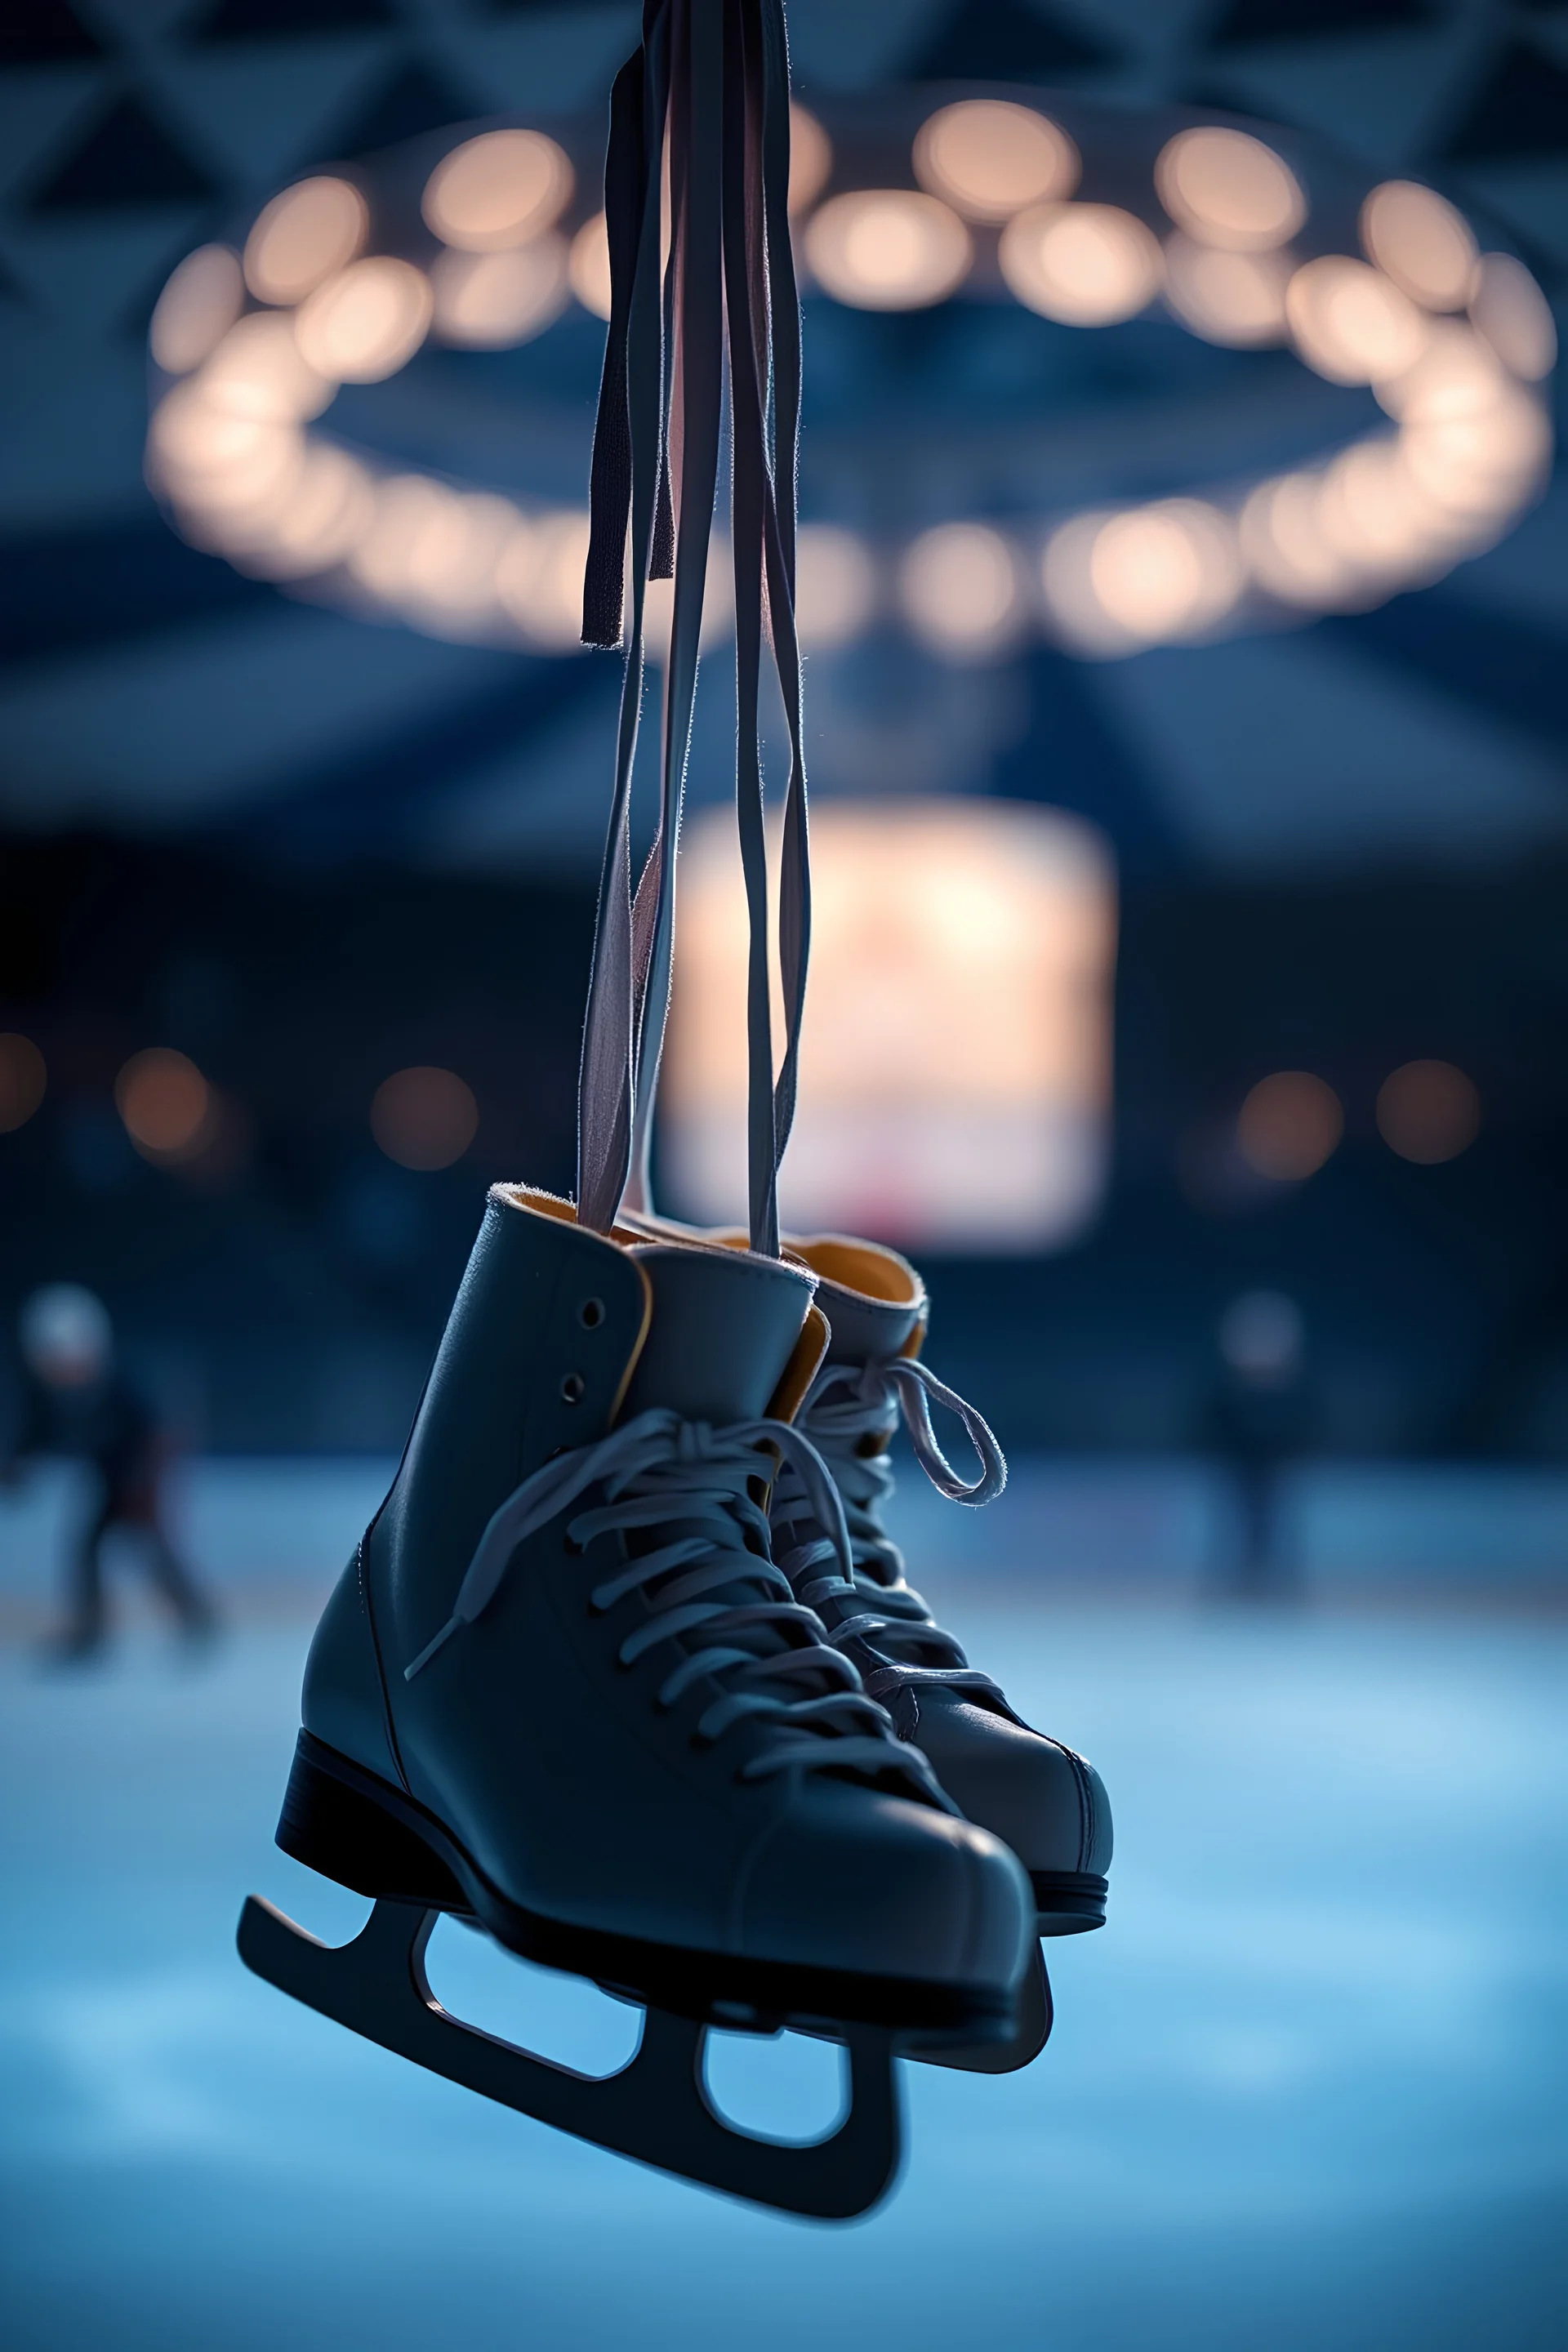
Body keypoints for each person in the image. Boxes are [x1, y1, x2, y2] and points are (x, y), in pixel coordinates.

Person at [3, 1284, 216, 1659]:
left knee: (152, 1545)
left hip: (141, 1472)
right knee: (87, 1547)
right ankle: (91, 1633)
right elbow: (36, 1433)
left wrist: (147, 1487)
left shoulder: (121, 1383)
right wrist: (18, 1464)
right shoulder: (45, 1392)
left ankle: (198, 1622)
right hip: (105, 1473)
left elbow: (158, 1433)